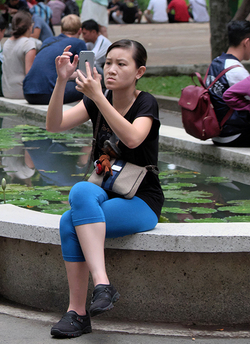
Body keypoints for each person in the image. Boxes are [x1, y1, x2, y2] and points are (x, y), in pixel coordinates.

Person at [46, 39, 163, 338]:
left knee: (67, 222)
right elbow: (54, 125)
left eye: (121, 64)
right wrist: (62, 83)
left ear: (139, 72)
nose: (111, 69)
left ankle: (78, 313)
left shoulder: (145, 102)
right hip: (104, 190)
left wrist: (100, 99)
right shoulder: (97, 98)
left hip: (141, 200)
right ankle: (102, 286)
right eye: (108, 62)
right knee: (80, 192)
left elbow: (134, 138)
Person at [23, 14, 87, 105]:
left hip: (28, 93)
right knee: (88, 85)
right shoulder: (79, 43)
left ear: (61, 30)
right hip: (49, 94)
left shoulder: (48, 40)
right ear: (80, 31)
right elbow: (86, 72)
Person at [205, 20, 250, 147]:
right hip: (235, 134)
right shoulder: (237, 71)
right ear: (246, 42)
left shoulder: (216, 62)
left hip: (216, 133)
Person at [1, 11, 40, 99]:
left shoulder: (7, 42)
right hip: (21, 92)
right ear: (29, 27)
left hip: (6, 91)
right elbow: (29, 73)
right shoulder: (28, 44)